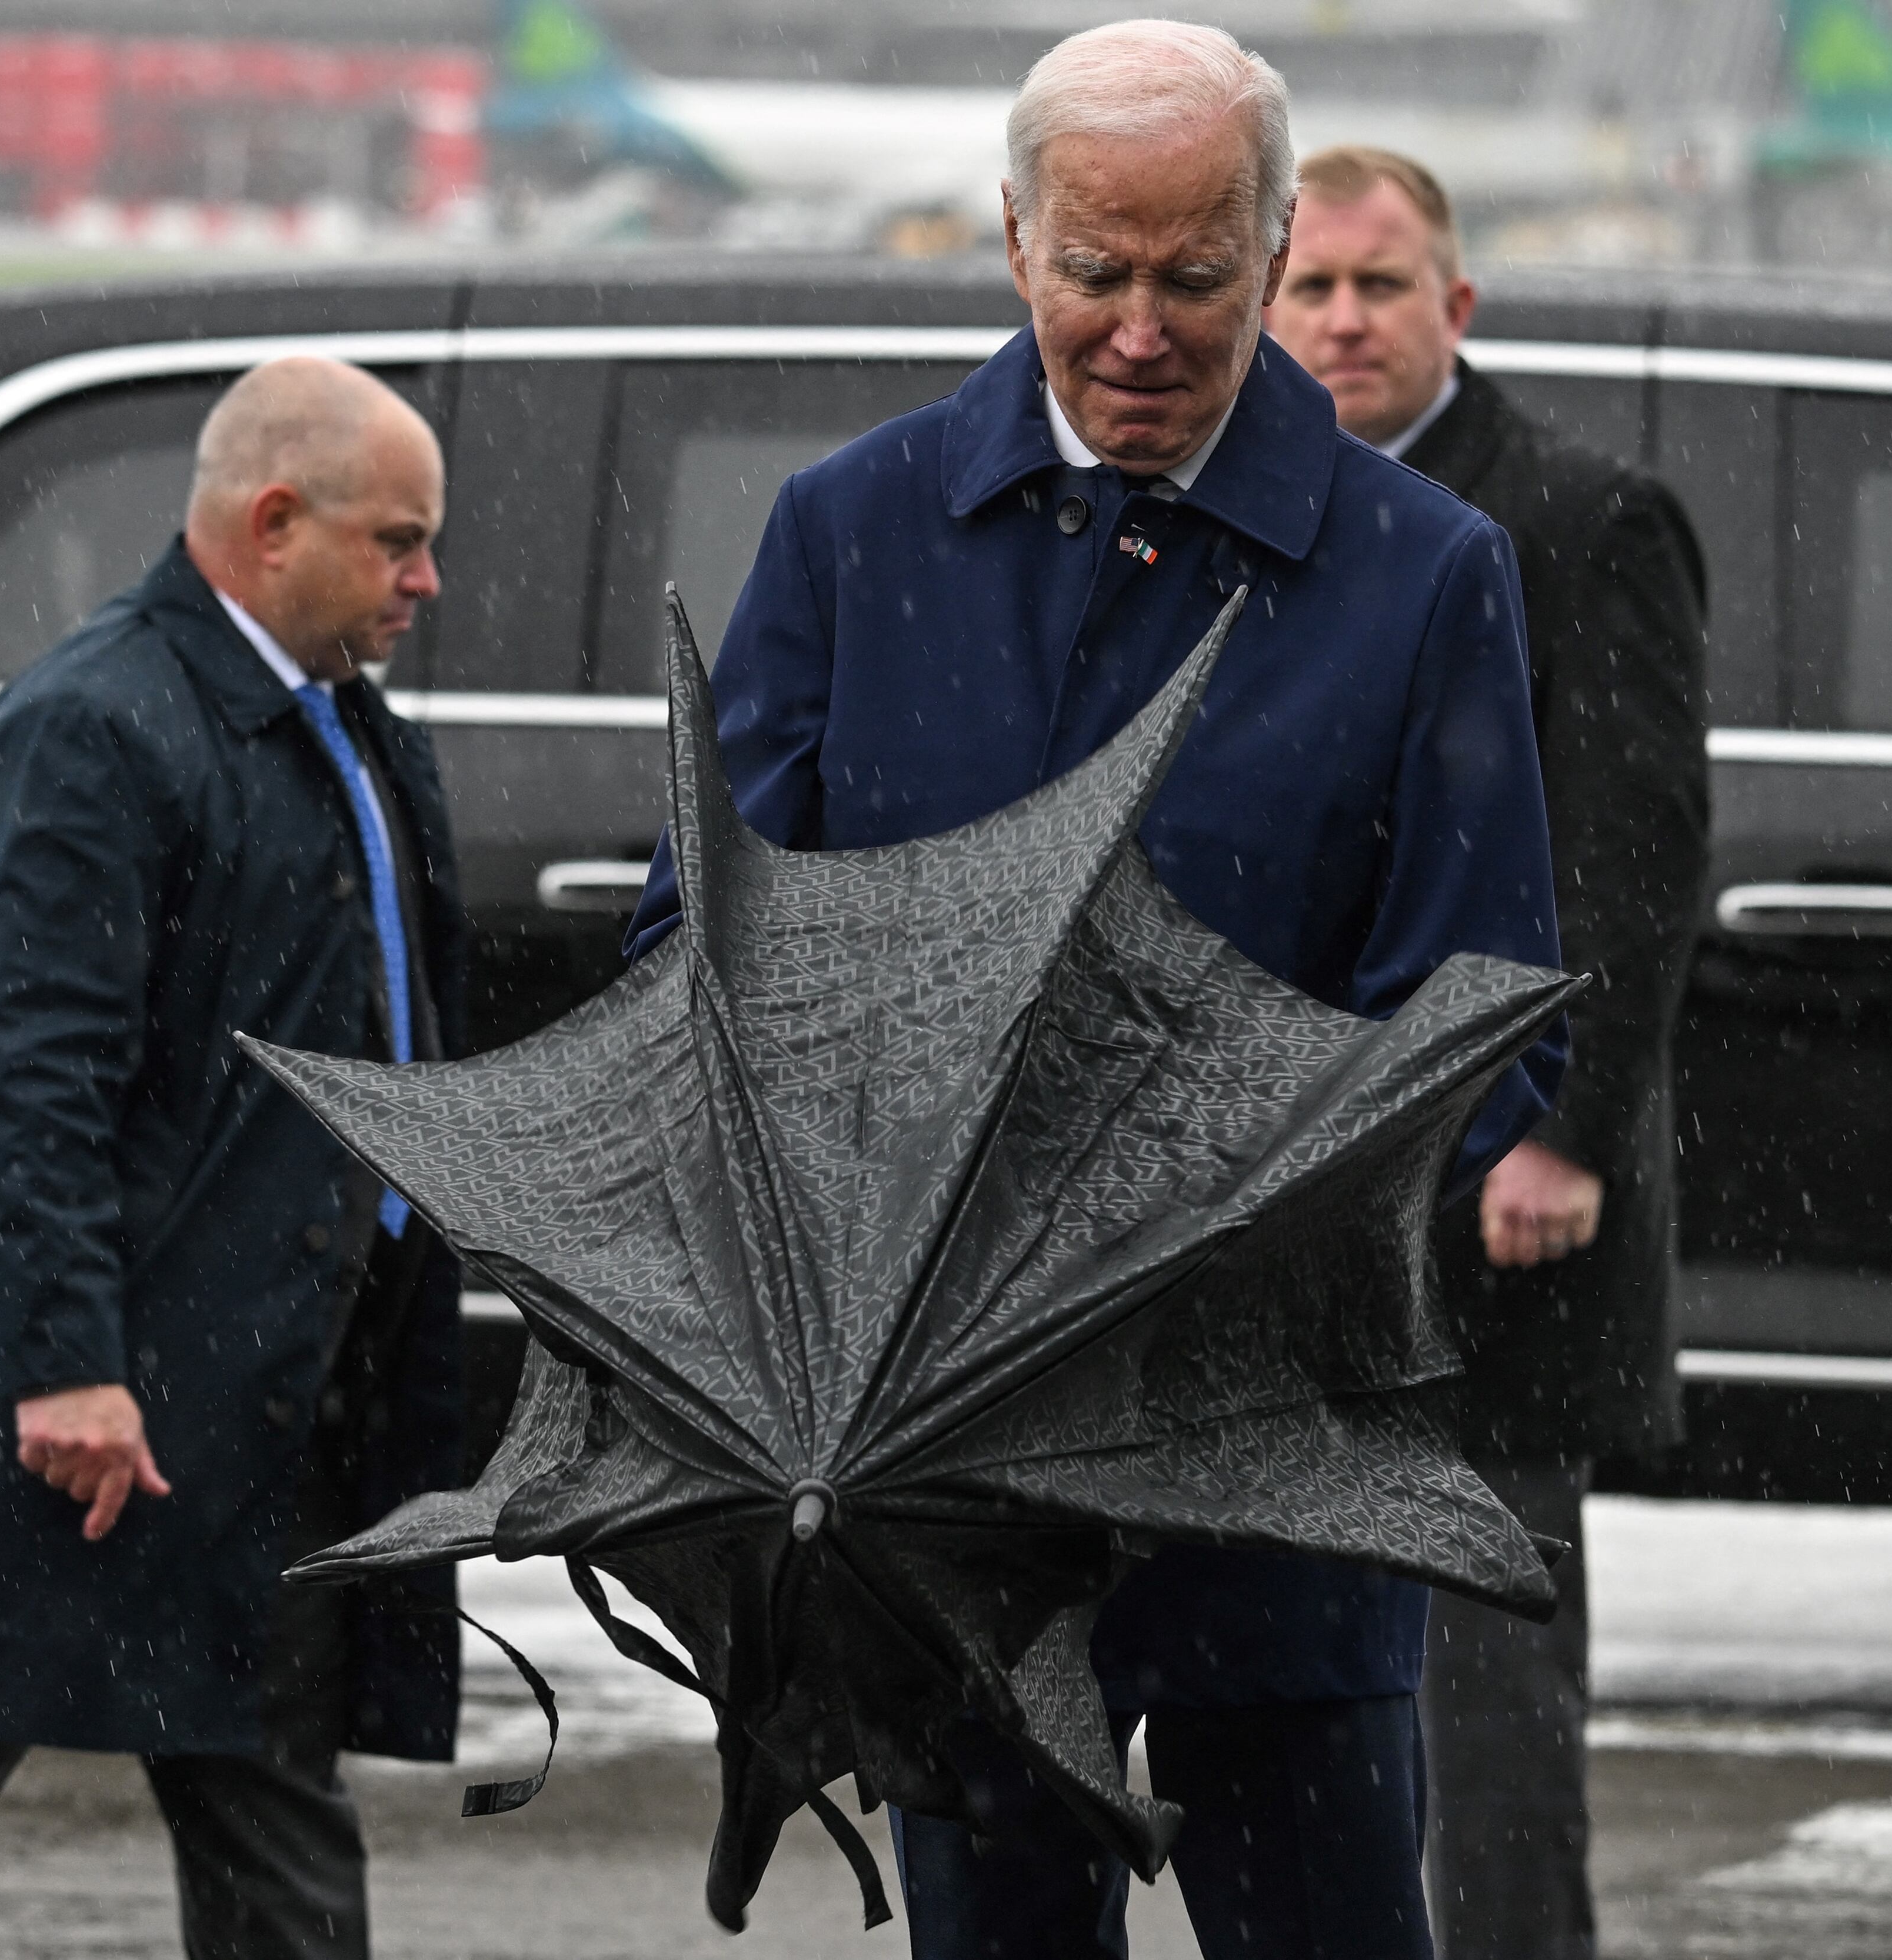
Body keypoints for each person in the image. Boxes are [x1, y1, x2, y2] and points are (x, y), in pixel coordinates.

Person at [624, 24, 1562, 1960]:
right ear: (1012, 243)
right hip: (947, 1502)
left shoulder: (1424, 572)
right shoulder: (854, 530)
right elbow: (699, 942)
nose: (1140, 330)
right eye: (1094, 273)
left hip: (1272, 1474)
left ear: (1280, 241)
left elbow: (1483, 1009)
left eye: (1199, 279)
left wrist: (1235, 1248)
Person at [0, 356, 472, 1960]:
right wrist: (66, 1365)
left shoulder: (344, 731)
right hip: (103, 1383)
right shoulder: (93, 730)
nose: (426, 579)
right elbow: (14, 1084)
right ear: (273, 522)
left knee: (270, 1791)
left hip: (281, 1379)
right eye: (397, 541)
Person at [1267, 147, 1712, 1960]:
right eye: (1311, 287)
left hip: (1492, 1205)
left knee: (1488, 1703)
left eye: (1384, 284)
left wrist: (1565, 1133)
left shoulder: (1582, 519)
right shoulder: (1235, 510)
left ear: (1460, 302)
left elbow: (1632, 854)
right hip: (1282, 1201)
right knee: (1292, 1694)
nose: (1347, 319)